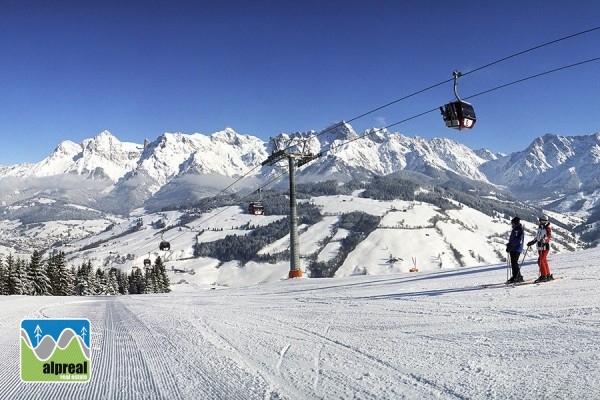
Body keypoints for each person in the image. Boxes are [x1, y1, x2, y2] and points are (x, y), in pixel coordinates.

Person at [527, 214, 554, 283]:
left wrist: (545, 240)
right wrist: (532, 242)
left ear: (544, 221)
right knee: (543, 260)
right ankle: (547, 275)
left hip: (545, 246)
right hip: (539, 246)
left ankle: (543, 276)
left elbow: (549, 236)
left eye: (540, 220)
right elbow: (537, 237)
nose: (539, 221)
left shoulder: (547, 228)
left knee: (540, 260)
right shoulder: (540, 227)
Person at [506, 216, 525, 283]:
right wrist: (509, 245)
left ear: (515, 223)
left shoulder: (518, 229)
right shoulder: (515, 229)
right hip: (513, 248)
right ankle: (515, 276)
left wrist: (511, 245)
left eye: (512, 223)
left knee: (514, 263)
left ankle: (518, 277)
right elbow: (513, 239)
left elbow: (518, 240)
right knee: (513, 263)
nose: (512, 224)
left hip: (516, 248)